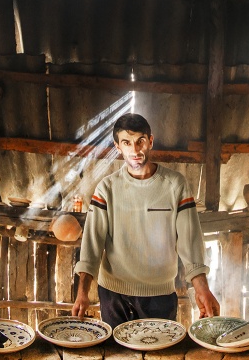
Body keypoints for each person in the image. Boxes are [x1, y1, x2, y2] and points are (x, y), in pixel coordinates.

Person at [71, 113, 221, 327]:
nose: (135, 150)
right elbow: (92, 244)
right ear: (117, 147)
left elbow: (190, 241)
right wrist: (82, 293)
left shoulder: (175, 185)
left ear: (150, 141)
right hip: (114, 295)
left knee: (159, 349)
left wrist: (202, 289)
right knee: (116, 349)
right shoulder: (107, 189)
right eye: (126, 143)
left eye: (140, 141)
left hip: (160, 296)